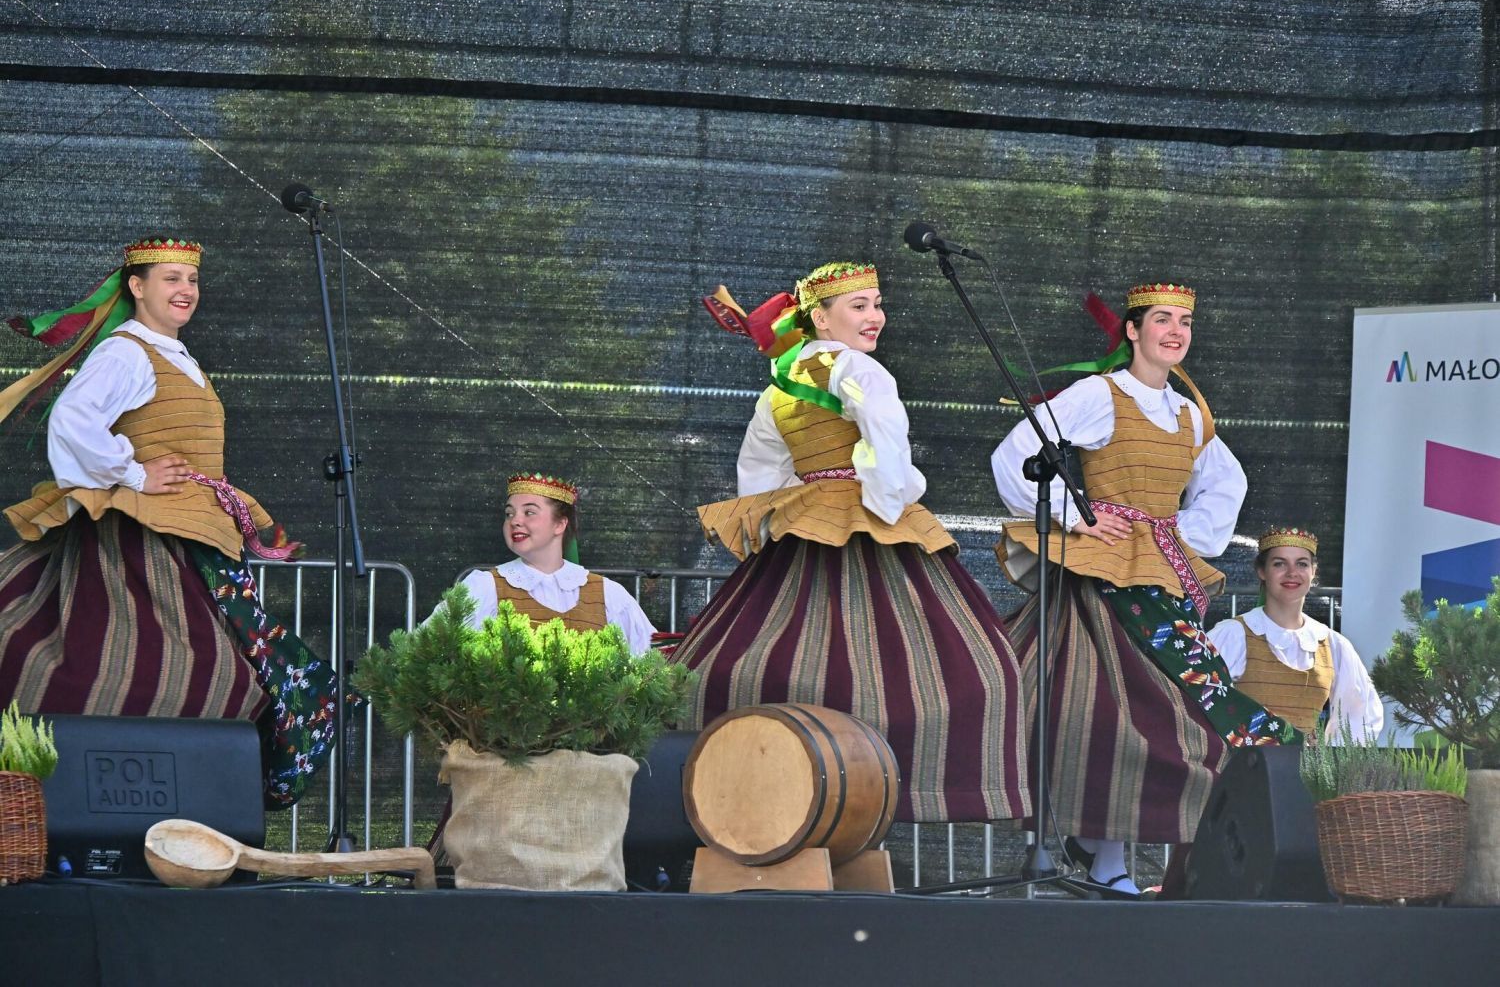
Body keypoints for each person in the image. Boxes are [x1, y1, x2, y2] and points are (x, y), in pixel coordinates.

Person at [669, 261, 1031, 824]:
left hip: (800, 531)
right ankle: (879, 796)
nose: (875, 316)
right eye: (858, 306)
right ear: (820, 317)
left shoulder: (777, 390)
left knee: (766, 658)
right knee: (950, 666)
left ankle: (779, 796)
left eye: (877, 304)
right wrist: (893, 501)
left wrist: (776, 527)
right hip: (869, 516)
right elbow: (885, 435)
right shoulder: (860, 368)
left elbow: (758, 479)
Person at [0, 236, 336, 807]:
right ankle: (102, 803)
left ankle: (186, 811)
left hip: (188, 536)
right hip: (144, 543)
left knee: (238, 676)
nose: (186, 290)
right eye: (171, 279)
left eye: (192, 280)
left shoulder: (174, 355)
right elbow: (72, 422)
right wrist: (134, 474)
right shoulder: (127, 352)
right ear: (136, 286)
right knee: (170, 674)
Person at [992, 281, 1296, 896]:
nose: (1176, 331)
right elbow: (1017, 453)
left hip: (1158, 571)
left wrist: (1178, 533)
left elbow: (1227, 483)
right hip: (1104, 577)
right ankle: (1104, 856)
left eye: (1185, 321)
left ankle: (1104, 853)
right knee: (1112, 711)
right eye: (1162, 319)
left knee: (1158, 712)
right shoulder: (1101, 394)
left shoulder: (1190, 414)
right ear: (1132, 331)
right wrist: (1076, 516)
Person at [437, 472, 656, 653]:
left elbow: (656, 660)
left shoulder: (609, 594)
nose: (515, 521)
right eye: (509, 514)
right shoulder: (484, 587)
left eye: (529, 512)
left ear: (559, 524)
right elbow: (429, 650)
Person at [1207, 527, 1383, 743]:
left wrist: (1329, 757)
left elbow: (1361, 714)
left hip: (1303, 764)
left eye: (1302, 564)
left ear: (1313, 571)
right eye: (1279, 564)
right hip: (1244, 761)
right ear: (1262, 571)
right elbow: (1200, 698)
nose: (1292, 573)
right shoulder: (1234, 634)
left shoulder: (1332, 644)